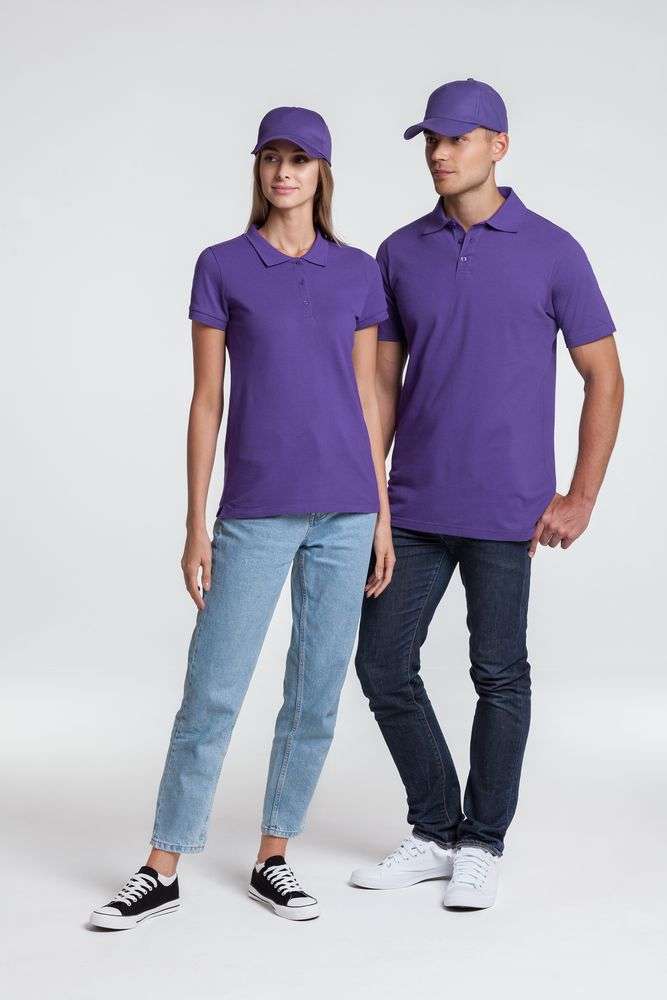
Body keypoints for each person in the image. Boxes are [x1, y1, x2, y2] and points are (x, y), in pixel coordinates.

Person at [89, 106, 394, 929]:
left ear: (322, 172)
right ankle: (162, 865)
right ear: (257, 168)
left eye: (299, 159)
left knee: (315, 695)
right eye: (271, 157)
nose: (284, 171)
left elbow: (369, 398)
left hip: (346, 511)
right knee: (213, 691)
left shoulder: (358, 271)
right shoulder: (223, 265)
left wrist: (380, 515)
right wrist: (195, 523)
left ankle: (273, 857)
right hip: (255, 509)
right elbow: (206, 401)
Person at [350, 78, 624, 909]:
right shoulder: (399, 251)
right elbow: (381, 384)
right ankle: (436, 828)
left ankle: (482, 842)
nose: (439, 154)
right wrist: (371, 494)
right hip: (413, 504)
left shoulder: (553, 249)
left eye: (456, 139)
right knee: (381, 664)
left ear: (497, 146)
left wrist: (580, 496)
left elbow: (604, 377)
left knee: (498, 673)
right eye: (430, 141)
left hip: (509, 510)